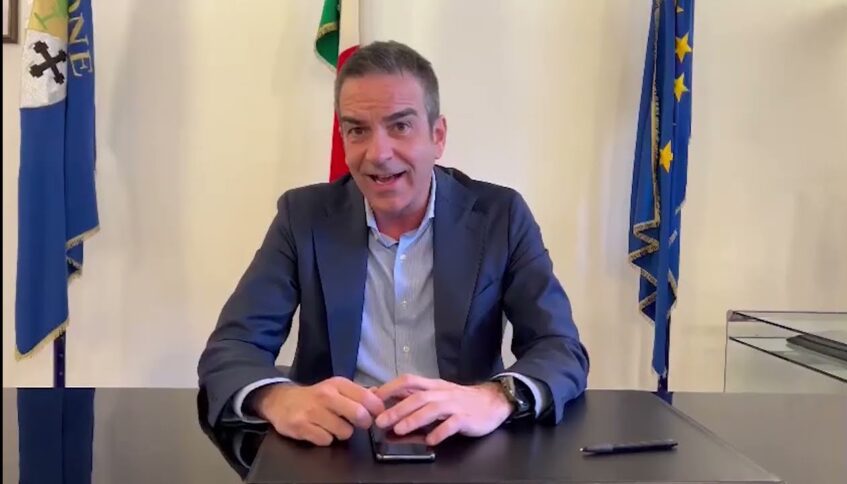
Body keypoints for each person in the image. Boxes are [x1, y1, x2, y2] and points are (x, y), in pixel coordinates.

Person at [197, 40, 589, 447]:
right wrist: (278, 399)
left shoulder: (500, 216)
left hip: (462, 446)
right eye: (357, 130)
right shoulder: (303, 217)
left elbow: (559, 347)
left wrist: (495, 397)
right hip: (334, 448)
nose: (378, 153)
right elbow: (231, 348)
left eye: (400, 126)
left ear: (438, 136)